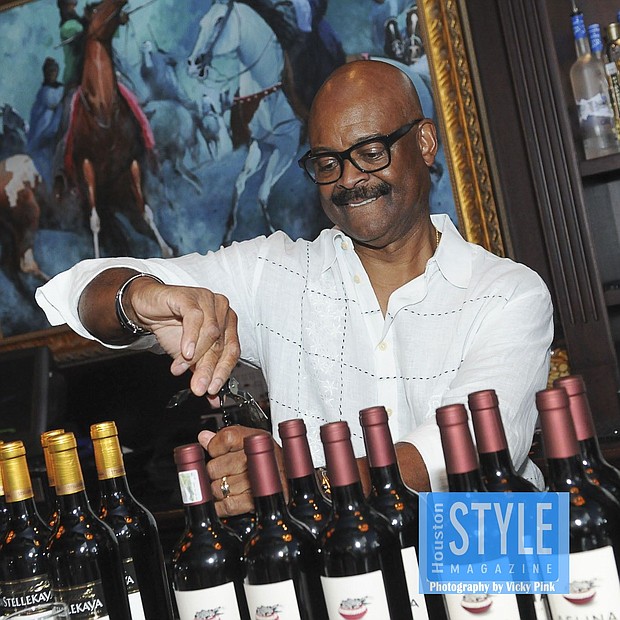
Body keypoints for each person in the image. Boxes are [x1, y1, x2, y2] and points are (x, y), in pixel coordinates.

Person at [35, 60, 553, 517]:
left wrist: (305, 481)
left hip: (488, 566)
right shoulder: (276, 274)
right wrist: (137, 299)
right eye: (327, 163)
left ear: (424, 143)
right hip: (344, 578)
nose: (348, 179)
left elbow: (467, 449)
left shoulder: (508, 294)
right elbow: (78, 292)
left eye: (370, 152)